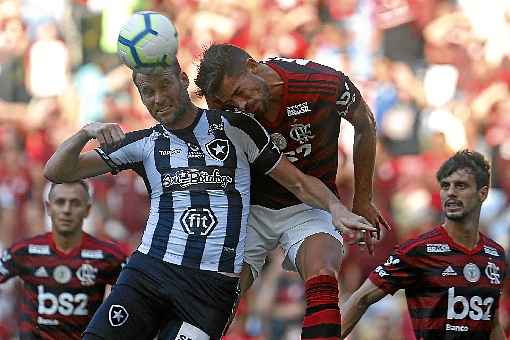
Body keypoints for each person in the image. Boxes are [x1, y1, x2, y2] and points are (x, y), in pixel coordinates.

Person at [43, 60, 375, 340]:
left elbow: (300, 182)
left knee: (321, 274)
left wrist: (338, 207)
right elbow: (57, 171)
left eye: (164, 85)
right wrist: (85, 133)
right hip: (150, 273)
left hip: (208, 290)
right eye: (148, 92)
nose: (158, 98)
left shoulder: (236, 128)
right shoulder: (143, 143)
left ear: (183, 80)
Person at [195, 43, 390, 339]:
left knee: (323, 273)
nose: (241, 105)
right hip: (251, 208)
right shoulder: (225, 108)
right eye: (230, 100)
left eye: (240, 92)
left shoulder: (322, 83)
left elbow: (365, 122)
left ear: (251, 65)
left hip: (310, 204)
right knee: (219, 295)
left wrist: (362, 200)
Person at [341, 150, 507, 340]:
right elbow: (360, 299)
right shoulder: (418, 251)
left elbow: (491, 323)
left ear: (482, 193)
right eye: (445, 186)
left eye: (461, 186)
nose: (451, 192)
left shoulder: (495, 255)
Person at [0, 181, 126, 340]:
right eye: (60, 202)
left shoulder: (108, 256)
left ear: (87, 209)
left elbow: (138, 298)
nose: (67, 210)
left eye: (75, 203)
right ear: (48, 208)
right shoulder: (24, 251)